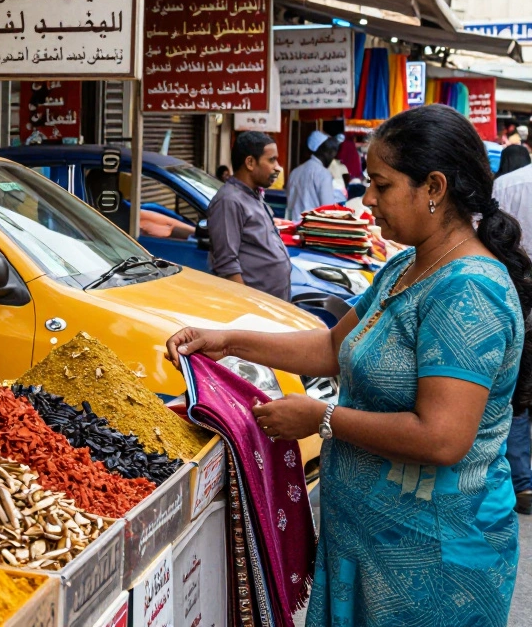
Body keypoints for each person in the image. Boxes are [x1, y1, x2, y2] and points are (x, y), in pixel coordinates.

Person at [168, 104, 527, 626]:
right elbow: (335, 349)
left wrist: (321, 420)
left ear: (433, 187)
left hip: (433, 564)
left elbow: (443, 437)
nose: (369, 200)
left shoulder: (468, 290)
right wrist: (228, 341)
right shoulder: (408, 264)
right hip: (369, 543)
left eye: (380, 185)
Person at [206, 131, 291, 301]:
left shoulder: (253, 195)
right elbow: (227, 266)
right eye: (272, 160)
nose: (277, 168)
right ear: (250, 163)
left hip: (275, 306)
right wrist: (248, 306)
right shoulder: (229, 201)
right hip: (255, 309)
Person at [493, 157, 532, 514]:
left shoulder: (507, 185)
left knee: (516, 389)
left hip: (517, 295)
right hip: (517, 295)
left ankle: (523, 482)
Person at [286, 130, 341, 220]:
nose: (332, 157)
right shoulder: (323, 174)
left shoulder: (295, 172)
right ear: (322, 151)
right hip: (312, 229)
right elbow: (328, 209)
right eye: (330, 152)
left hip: (293, 227)